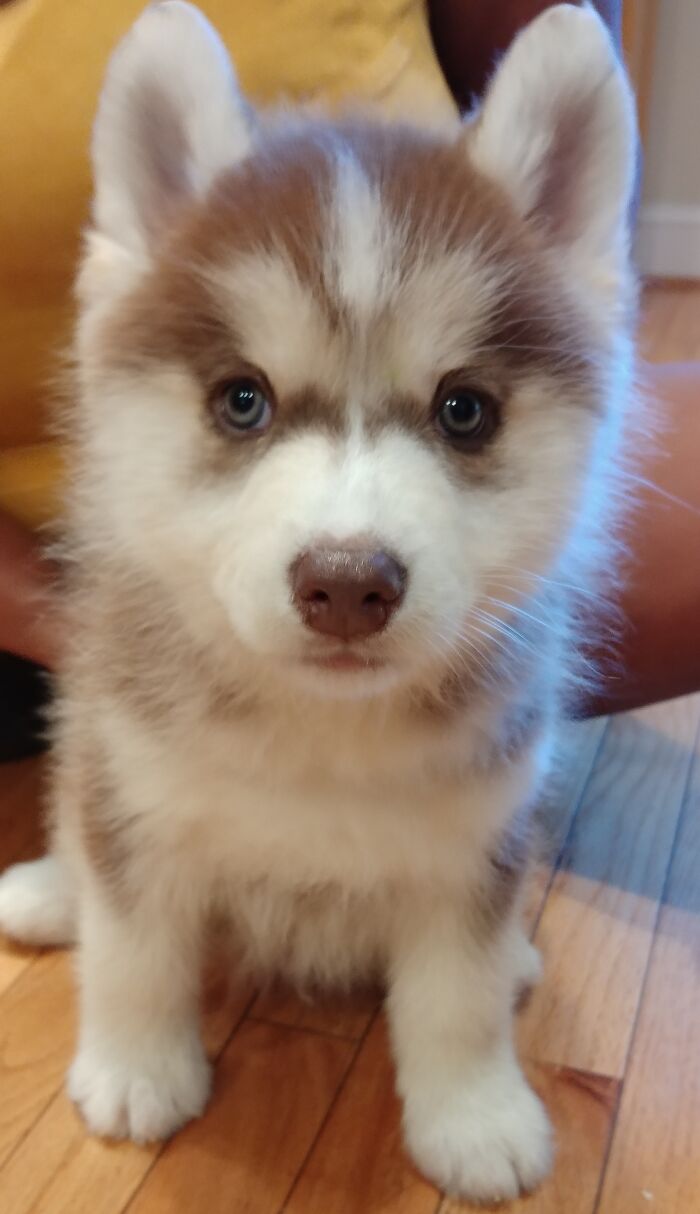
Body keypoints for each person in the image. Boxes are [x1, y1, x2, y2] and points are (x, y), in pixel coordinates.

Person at [1, 0, 698, 716]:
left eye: (464, 413)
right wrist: (75, 626)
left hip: (477, 619)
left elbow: (565, 55)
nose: (349, 557)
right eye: (244, 403)